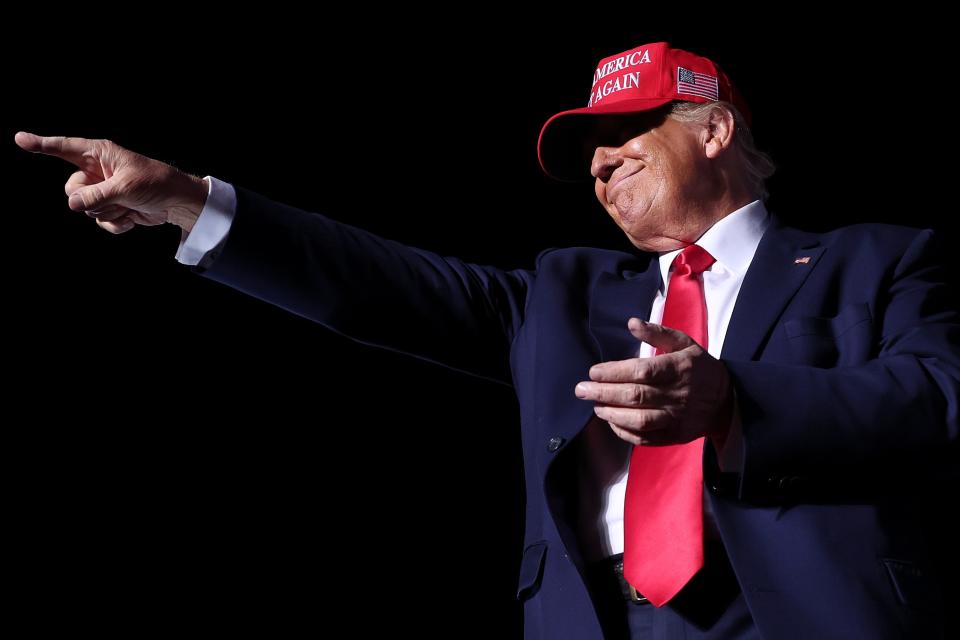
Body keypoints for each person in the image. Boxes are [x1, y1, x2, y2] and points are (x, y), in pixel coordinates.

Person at [15, 40, 958, 639]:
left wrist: (733, 400)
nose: (598, 160)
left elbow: (934, 398)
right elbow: (372, 285)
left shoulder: (877, 261)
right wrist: (185, 198)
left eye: (629, 128)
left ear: (713, 130)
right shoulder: (560, 290)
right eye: (587, 148)